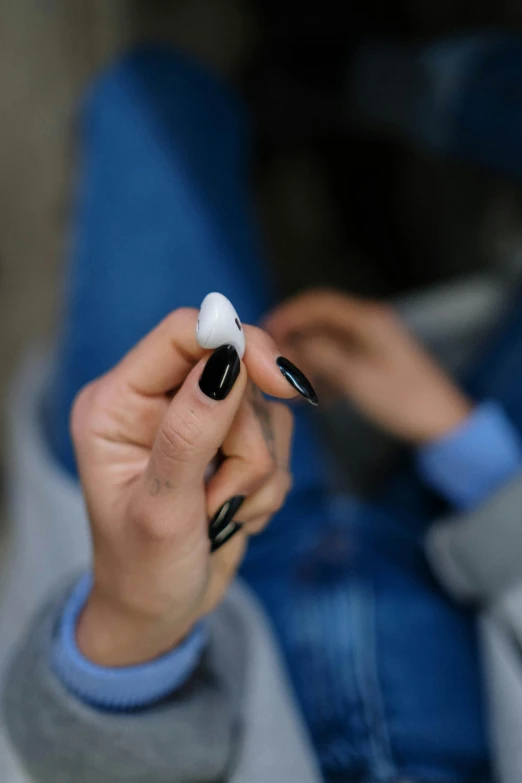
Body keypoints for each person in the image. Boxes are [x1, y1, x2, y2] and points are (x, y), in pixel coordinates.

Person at [4, 45, 522, 782]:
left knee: (143, 106)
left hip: (204, 573)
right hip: (481, 565)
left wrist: (132, 630)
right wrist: (467, 445)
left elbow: (64, 759)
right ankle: (371, 82)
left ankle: (305, 78)